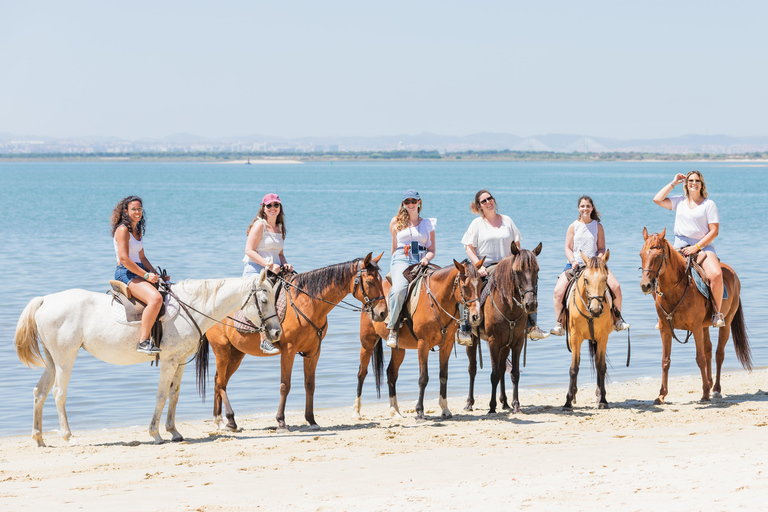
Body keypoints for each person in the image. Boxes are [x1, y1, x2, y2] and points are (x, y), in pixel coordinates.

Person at [461, 189, 549, 343]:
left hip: (508, 265)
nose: (488, 202)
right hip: (486, 266)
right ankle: (465, 329)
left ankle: (531, 325)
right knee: (468, 285)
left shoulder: (507, 220)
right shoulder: (477, 224)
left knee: (530, 278)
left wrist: (517, 264)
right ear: (479, 206)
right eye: (484, 201)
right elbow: (469, 247)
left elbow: (516, 245)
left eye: (490, 198)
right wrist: (478, 265)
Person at [653, 170, 724, 327]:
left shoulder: (709, 204)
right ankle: (661, 314)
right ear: (686, 184)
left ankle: (717, 313)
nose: (694, 183)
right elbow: (657, 199)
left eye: (697, 181)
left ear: (701, 184)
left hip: (702, 246)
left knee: (716, 275)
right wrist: (673, 182)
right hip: (678, 246)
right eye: (690, 180)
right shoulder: (680, 202)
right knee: (655, 272)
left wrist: (696, 247)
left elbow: (714, 231)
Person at [550, 196, 629, 335]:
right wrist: (573, 261)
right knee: (558, 292)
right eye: (582, 206)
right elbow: (568, 248)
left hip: (595, 266)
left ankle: (617, 320)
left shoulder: (598, 226)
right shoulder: (573, 226)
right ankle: (560, 324)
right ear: (578, 208)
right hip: (574, 265)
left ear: (592, 208)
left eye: (588, 206)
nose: (585, 209)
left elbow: (602, 248)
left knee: (616, 287)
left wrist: (598, 261)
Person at [111, 196, 169, 355]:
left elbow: (142, 257)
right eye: (133, 209)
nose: (137, 212)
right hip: (126, 271)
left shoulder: (137, 230)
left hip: (140, 269)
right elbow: (124, 259)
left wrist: (156, 275)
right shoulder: (123, 230)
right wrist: (145, 276)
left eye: (139, 209)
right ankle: (143, 342)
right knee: (156, 299)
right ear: (126, 212)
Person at [243, 193, 293, 355]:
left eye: (276, 205)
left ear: (280, 208)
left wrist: (285, 263)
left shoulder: (280, 228)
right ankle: (264, 339)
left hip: (276, 270)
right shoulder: (260, 225)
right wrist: (267, 265)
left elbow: (280, 254)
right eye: (269, 205)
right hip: (257, 270)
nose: (273, 208)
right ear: (263, 208)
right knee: (264, 295)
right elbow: (249, 251)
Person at [386, 190, 436, 348]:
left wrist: (426, 259)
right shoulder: (396, 222)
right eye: (407, 201)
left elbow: (432, 249)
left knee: (442, 285)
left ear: (419, 202)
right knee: (399, 289)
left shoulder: (428, 223)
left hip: (422, 259)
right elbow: (394, 248)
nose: (410, 204)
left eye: (413, 201)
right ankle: (393, 327)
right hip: (402, 258)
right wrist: (395, 267)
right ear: (403, 204)